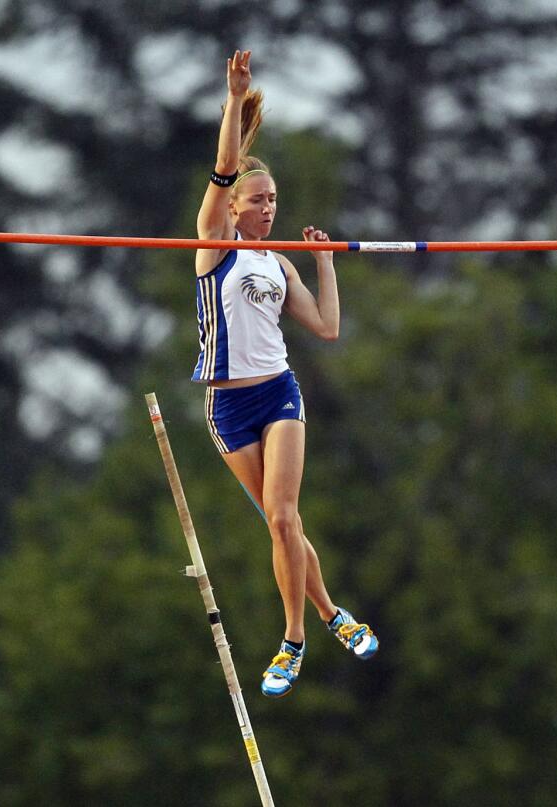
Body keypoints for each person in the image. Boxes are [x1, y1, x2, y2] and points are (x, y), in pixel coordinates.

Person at [193, 50, 378, 698]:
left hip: (278, 393)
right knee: (282, 526)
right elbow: (221, 170)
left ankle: (293, 638)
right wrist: (237, 104)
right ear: (234, 206)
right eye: (258, 200)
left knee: (281, 516)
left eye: (274, 200)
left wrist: (325, 260)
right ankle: (334, 614)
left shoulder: (279, 265)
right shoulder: (213, 247)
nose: (269, 209)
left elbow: (326, 327)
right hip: (226, 408)